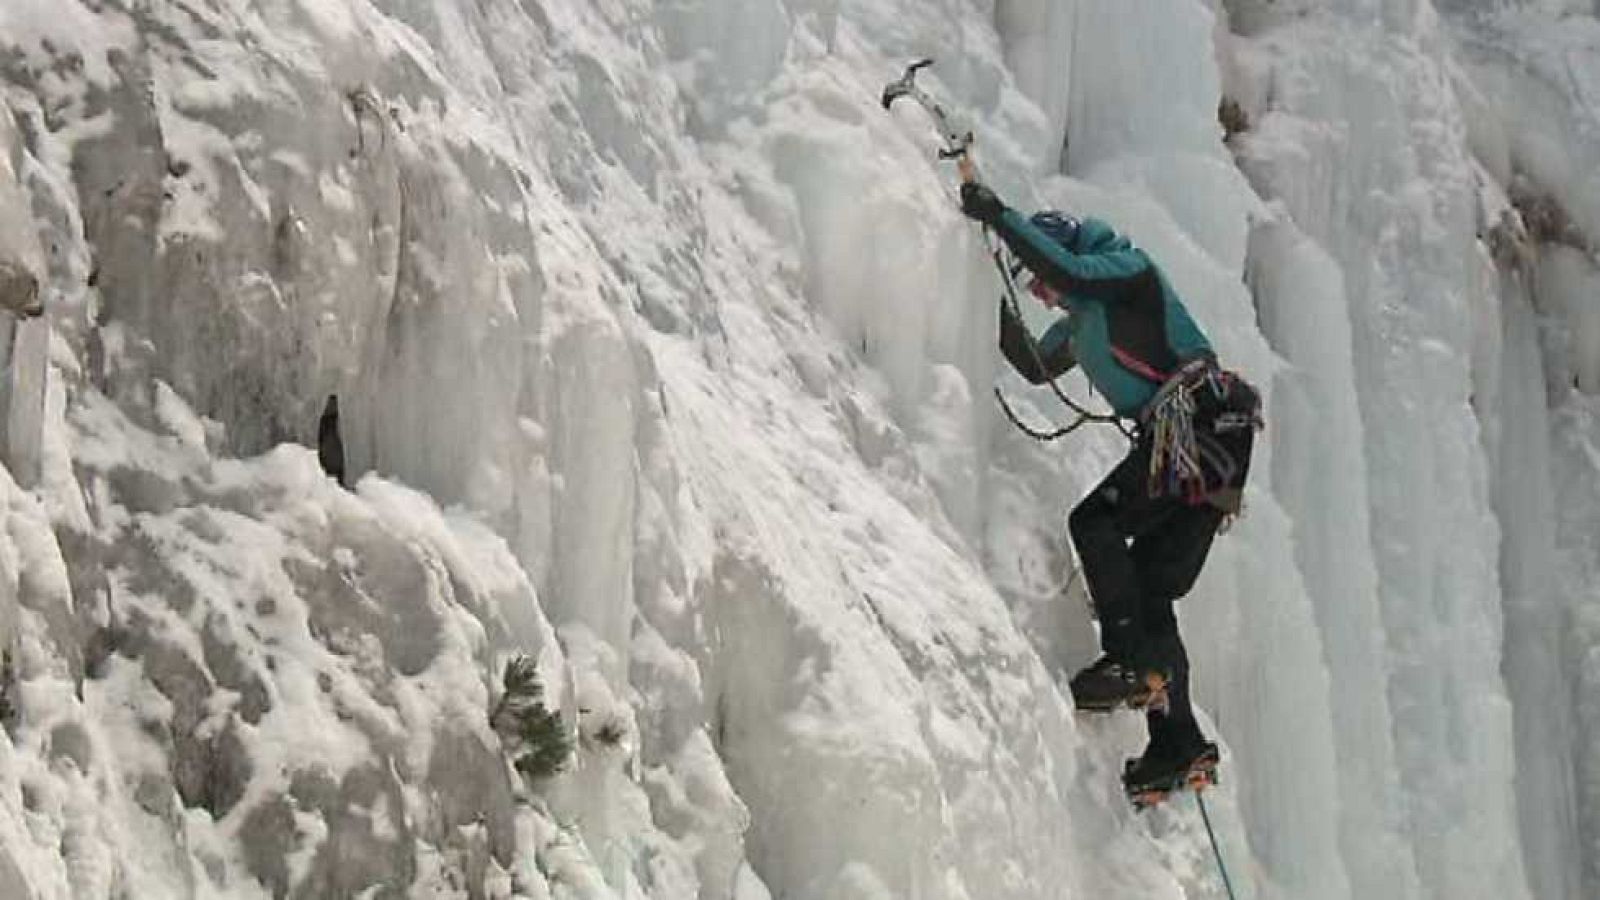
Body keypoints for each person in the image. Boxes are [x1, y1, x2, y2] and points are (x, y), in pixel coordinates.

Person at [960, 178, 1262, 792]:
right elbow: (1033, 364)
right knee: (1151, 590)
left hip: (1194, 428)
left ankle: (1129, 661)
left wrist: (997, 217)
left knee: (1093, 523)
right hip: (1213, 452)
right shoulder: (1080, 326)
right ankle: (1176, 743)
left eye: (1039, 283)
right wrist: (969, 285)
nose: (1043, 295)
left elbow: (1067, 268)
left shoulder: (1127, 271)